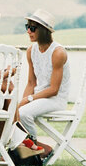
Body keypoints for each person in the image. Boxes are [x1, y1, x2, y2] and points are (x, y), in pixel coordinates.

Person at [17, 9, 70, 145]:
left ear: (43, 30)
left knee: (23, 113)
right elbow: (31, 83)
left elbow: (54, 89)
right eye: (27, 27)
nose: (28, 31)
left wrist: (28, 99)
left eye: (32, 28)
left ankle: (33, 147)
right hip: (39, 98)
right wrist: (23, 101)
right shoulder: (31, 51)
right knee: (16, 112)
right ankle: (22, 148)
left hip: (55, 99)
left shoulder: (58, 53)